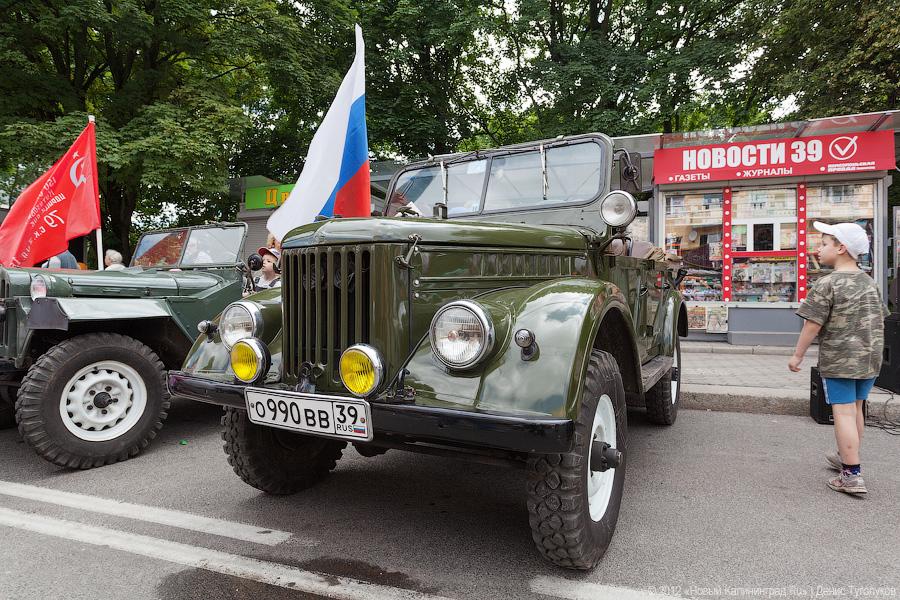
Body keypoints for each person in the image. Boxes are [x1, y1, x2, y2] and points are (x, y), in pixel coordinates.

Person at [789, 222, 888, 495]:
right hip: (870, 358)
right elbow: (881, 318)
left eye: (824, 244)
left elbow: (812, 324)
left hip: (840, 359)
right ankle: (847, 455)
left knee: (842, 412)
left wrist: (797, 355)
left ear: (841, 248)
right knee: (856, 408)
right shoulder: (870, 282)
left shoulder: (827, 283)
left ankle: (851, 474)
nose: (818, 249)